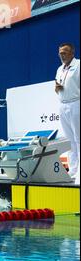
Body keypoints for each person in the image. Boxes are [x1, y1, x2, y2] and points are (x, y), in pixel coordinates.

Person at [55, 43, 80, 178]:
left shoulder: (79, 66)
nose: (62, 55)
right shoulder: (60, 69)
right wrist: (57, 88)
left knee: (79, 138)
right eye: (60, 53)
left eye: (64, 52)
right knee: (70, 140)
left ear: (72, 53)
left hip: (76, 103)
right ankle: (73, 169)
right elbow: (59, 84)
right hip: (63, 105)